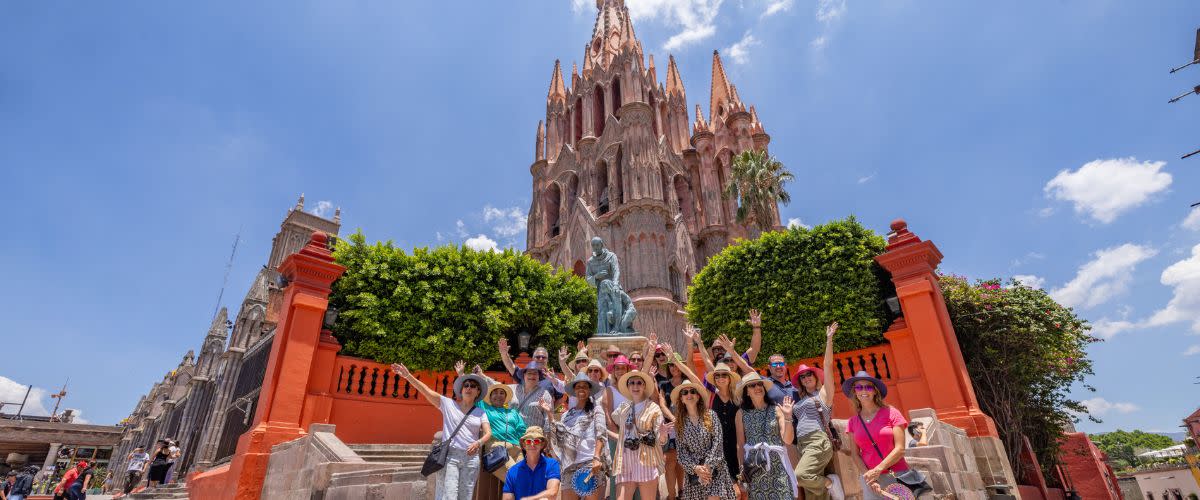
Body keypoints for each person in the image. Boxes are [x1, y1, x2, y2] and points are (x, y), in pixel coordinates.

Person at [392, 362, 492, 500]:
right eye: (466, 385)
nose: (468, 388)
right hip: (450, 456)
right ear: (461, 389)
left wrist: (478, 443)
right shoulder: (448, 404)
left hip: (471, 459)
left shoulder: (481, 412)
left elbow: (488, 433)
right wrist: (408, 376)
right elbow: (426, 391)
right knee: (448, 496)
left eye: (473, 386)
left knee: (465, 497)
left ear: (478, 392)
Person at [789, 322, 841, 500]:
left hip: (818, 441)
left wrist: (829, 339)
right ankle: (825, 490)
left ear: (815, 376)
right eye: (802, 377)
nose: (805, 378)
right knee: (813, 495)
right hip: (802, 444)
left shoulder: (824, 394)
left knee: (801, 475)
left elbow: (828, 365)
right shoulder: (800, 400)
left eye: (808, 374)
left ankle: (830, 483)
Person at [842, 371, 910, 500]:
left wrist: (878, 470)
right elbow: (855, 454)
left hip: (896, 475)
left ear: (874, 391)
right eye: (858, 387)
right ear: (855, 392)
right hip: (871, 482)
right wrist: (869, 477)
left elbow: (900, 449)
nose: (863, 390)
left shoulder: (892, 413)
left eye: (868, 387)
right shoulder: (853, 422)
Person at [544, 373, 606, 500]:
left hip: (589, 463)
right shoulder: (566, 415)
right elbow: (560, 437)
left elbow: (601, 433)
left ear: (589, 390)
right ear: (574, 390)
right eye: (578, 387)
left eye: (584, 386)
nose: (581, 389)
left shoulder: (597, 409)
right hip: (569, 465)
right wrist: (550, 414)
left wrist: (597, 457)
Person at [735, 373, 796, 500]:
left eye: (760, 384)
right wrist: (742, 470)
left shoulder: (777, 409)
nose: (757, 387)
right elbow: (740, 445)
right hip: (754, 469)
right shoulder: (741, 413)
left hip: (777, 466)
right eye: (752, 385)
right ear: (747, 392)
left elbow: (788, 440)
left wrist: (788, 417)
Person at [672, 379, 735, 500]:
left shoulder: (711, 415)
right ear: (681, 399)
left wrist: (707, 467)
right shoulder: (679, 423)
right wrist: (696, 468)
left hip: (715, 468)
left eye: (693, 391)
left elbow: (718, 443)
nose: (689, 395)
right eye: (685, 393)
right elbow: (681, 453)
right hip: (694, 472)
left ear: (698, 396)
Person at [611, 369, 669, 500]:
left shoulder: (653, 408)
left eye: (639, 383)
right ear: (628, 386)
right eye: (631, 383)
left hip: (646, 460)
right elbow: (616, 421)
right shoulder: (623, 408)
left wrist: (663, 435)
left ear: (644, 386)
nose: (635, 386)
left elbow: (660, 439)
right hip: (625, 461)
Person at [477, 380, 525, 496]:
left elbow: (522, 429)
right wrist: (463, 375)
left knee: (524, 479)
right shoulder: (485, 408)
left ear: (505, 397)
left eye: (502, 393)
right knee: (517, 479)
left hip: (517, 450)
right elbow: (474, 394)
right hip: (497, 449)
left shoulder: (513, 412)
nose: (498, 395)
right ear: (490, 396)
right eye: (495, 393)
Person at [703, 362, 742, 498]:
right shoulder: (710, 396)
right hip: (716, 449)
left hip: (735, 448)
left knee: (739, 492)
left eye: (724, 375)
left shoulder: (738, 397)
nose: (720, 378)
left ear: (730, 377)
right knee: (717, 492)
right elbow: (692, 374)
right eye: (717, 376)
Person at [656, 352, 687, 500]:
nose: (674, 367)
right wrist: (673, 418)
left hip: (687, 426)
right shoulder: (664, 384)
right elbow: (662, 404)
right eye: (671, 365)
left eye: (676, 364)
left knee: (681, 461)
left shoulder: (688, 383)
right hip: (670, 426)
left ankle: (681, 491)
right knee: (670, 462)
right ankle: (671, 495)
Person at [502, 427, 560, 500]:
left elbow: (552, 493)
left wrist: (530, 499)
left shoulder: (551, 464)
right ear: (524, 445)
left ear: (542, 445)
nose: (532, 444)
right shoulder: (512, 471)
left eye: (536, 441)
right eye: (528, 441)